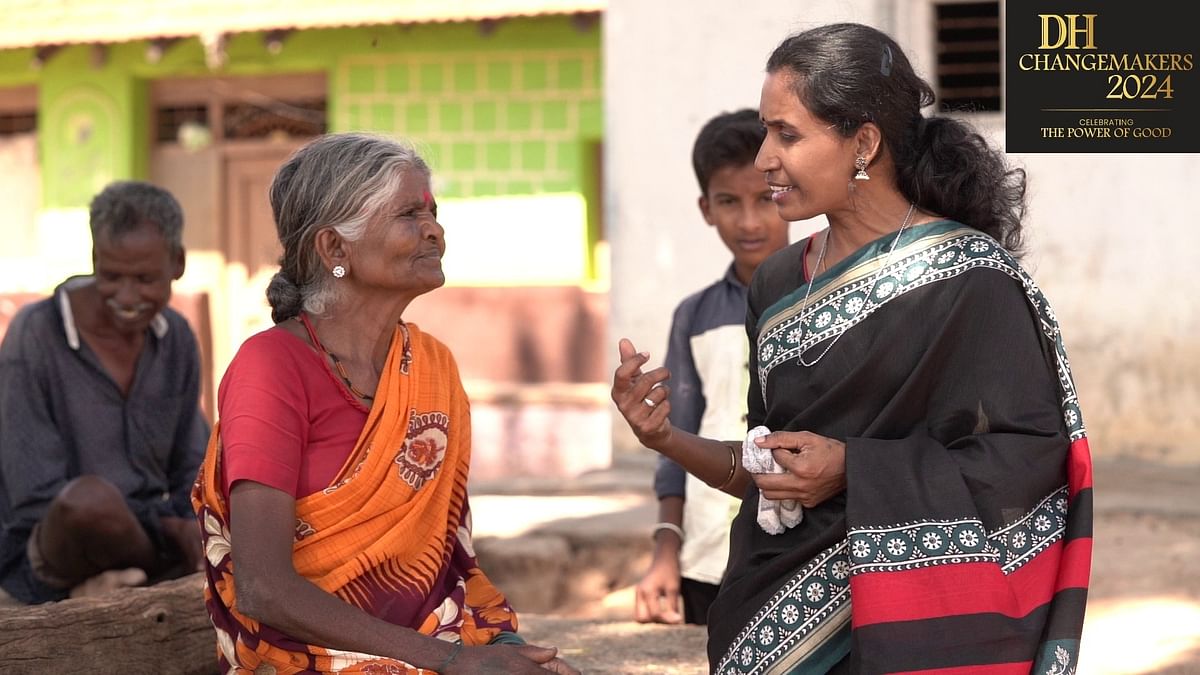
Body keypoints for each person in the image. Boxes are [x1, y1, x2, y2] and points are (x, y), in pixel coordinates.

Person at [612, 23, 1093, 674]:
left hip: (900, 634)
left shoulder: (968, 280)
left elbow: (1027, 463)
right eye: (765, 130)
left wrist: (856, 469)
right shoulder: (779, 284)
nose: (763, 158)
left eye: (787, 133)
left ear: (863, 143)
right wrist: (664, 436)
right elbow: (767, 474)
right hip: (767, 626)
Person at [192, 133, 578, 674]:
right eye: (408, 215)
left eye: (433, 212)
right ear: (334, 249)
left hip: (427, 647)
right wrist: (448, 661)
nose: (435, 230)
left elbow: (449, 564)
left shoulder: (431, 366)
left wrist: (496, 649)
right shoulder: (271, 367)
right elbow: (263, 589)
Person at [0, 181, 208, 605]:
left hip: (151, 538)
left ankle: (150, 572)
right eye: (110, 276)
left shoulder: (177, 339)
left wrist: (191, 525)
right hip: (48, 550)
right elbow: (35, 499)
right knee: (90, 503)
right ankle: (156, 574)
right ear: (95, 259)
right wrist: (167, 528)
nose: (127, 297)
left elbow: (192, 467)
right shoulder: (36, 335)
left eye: (145, 279)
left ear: (178, 264)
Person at [637, 109, 789, 626]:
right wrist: (666, 548)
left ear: (787, 192)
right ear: (706, 208)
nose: (749, 222)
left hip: (795, 546)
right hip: (708, 552)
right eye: (729, 202)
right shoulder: (694, 316)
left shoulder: (822, 295)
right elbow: (674, 437)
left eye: (765, 199)